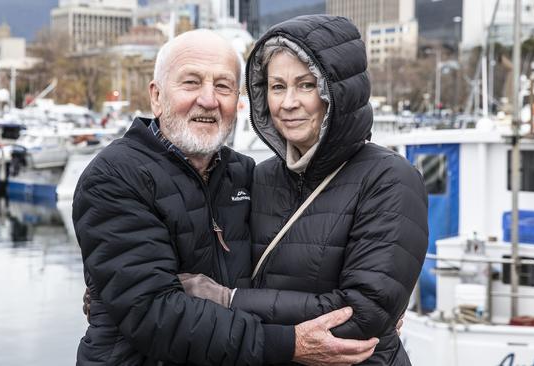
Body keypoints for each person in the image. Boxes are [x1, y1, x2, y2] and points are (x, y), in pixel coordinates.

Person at [72, 28, 379, 366]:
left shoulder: (245, 174)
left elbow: (296, 269)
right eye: (191, 83)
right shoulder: (115, 177)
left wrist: (369, 314)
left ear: (239, 99)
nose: (208, 99)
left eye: (223, 86)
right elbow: (155, 315)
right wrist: (287, 343)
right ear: (156, 96)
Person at [179, 15, 428, 365]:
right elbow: (207, 262)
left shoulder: (389, 178)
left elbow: (363, 314)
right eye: (277, 87)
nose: (288, 103)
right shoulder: (260, 177)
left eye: (307, 85)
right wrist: (121, 290)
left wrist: (230, 301)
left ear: (337, 92)